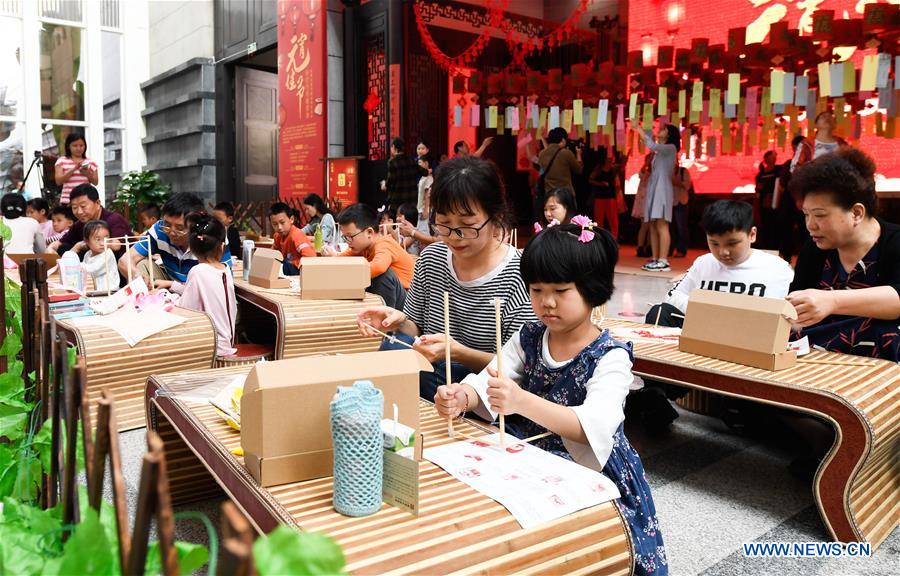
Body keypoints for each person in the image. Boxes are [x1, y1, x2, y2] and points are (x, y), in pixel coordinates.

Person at [434, 220, 667, 575]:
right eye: (537, 289)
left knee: (586, 553)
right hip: (531, 454)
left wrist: (521, 401)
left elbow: (594, 426)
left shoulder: (610, 356)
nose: (546, 302)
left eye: (561, 290)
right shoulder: (529, 336)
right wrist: (462, 396)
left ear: (593, 290)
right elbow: (491, 378)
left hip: (590, 466)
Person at [357, 156, 536, 399]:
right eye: (443, 224)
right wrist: (397, 321)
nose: (454, 237)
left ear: (495, 219)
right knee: (393, 348)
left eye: (467, 225)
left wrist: (458, 352)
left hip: (487, 392)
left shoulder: (520, 275)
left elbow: (520, 369)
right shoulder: (432, 259)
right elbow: (416, 327)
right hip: (432, 377)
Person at [637, 200, 795, 429]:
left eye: (732, 243)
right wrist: (713, 312)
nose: (723, 252)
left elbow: (779, 316)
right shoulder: (704, 263)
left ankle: (740, 403)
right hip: (701, 337)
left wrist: (718, 311)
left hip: (746, 346)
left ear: (752, 235)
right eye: (714, 243)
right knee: (660, 313)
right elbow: (672, 296)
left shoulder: (776, 269)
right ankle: (657, 393)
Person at [787, 147, 900, 362]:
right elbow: (796, 309)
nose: (810, 225)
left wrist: (831, 301)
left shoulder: (894, 242)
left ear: (857, 212)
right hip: (816, 361)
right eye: (806, 215)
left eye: (820, 215)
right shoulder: (814, 249)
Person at [119, 192, 229, 289]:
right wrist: (135, 274)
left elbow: (222, 281)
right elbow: (125, 260)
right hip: (172, 288)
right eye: (167, 224)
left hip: (201, 291)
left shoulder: (211, 236)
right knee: (141, 265)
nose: (171, 232)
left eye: (180, 228)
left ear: (196, 224)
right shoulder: (159, 230)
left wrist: (171, 285)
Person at [326, 203, 414, 309]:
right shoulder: (362, 247)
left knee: (382, 274)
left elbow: (379, 267)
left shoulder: (385, 244)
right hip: (395, 296)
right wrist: (332, 257)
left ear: (369, 232)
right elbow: (342, 259)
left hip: (408, 302)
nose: (348, 242)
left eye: (349, 236)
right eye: (344, 237)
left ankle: (386, 320)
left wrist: (346, 277)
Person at [176, 214, 237, 358]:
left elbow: (186, 309)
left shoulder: (198, 271)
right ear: (222, 246)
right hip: (227, 341)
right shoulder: (225, 269)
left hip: (213, 348)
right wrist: (173, 286)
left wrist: (167, 301)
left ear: (191, 247)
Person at [50, 184, 132, 256]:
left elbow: (116, 245)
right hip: (90, 266)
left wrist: (80, 246)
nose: (79, 212)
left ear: (97, 203)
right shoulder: (80, 224)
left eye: (83, 206)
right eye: (74, 207)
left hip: (119, 266)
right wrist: (50, 248)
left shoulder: (114, 220)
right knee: (63, 248)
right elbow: (61, 242)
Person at [641, 124, 680, 272]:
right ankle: (655, 258)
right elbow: (651, 144)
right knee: (653, 224)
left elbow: (650, 144)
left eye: (663, 129)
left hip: (662, 190)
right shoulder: (659, 152)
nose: (660, 130)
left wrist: (637, 128)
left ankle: (663, 260)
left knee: (662, 224)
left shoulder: (670, 148)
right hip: (654, 188)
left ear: (669, 134)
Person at [776, 136, 808, 262]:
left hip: (806, 202)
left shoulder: (812, 164)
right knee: (786, 231)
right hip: (789, 202)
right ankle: (787, 259)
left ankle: (806, 259)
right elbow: (782, 186)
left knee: (806, 231)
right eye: (798, 147)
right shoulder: (788, 164)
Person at [68, 220, 120, 292]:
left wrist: (75, 266)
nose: (102, 243)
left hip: (110, 291)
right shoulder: (88, 254)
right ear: (87, 241)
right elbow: (84, 274)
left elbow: (93, 270)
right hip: (95, 291)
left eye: (106, 238)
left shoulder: (107, 253)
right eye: (98, 239)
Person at [270, 202, 316, 275]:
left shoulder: (296, 235)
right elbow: (272, 255)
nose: (279, 227)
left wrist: (294, 263)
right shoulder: (277, 236)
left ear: (291, 219)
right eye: (275, 224)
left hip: (299, 271)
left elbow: (311, 257)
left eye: (282, 222)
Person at [54, 133, 98, 205]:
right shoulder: (61, 161)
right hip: (67, 201)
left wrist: (87, 174)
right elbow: (58, 181)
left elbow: (95, 182)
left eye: (81, 145)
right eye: (75, 146)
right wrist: (74, 169)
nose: (78, 148)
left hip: (85, 201)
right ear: (69, 146)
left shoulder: (90, 162)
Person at [537, 127, 583, 196]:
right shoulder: (566, 153)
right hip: (565, 194)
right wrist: (578, 154)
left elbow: (542, 170)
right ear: (563, 139)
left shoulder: (541, 154)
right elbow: (579, 170)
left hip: (549, 194)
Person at [385, 137, 426, 210]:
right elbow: (424, 172)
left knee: (398, 219)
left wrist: (384, 185)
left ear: (394, 147)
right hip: (412, 198)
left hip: (398, 198)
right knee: (410, 219)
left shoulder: (392, 162)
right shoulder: (411, 159)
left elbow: (390, 181)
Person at [398, 179, 436, 256]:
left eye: (400, 216)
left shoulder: (413, 231)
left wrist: (412, 232)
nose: (397, 218)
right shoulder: (423, 215)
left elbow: (400, 246)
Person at [589, 152, 620, 239]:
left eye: (612, 157)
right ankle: (599, 241)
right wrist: (600, 184)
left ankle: (613, 241)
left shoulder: (613, 168)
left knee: (614, 222)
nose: (611, 159)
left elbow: (623, 164)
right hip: (599, 198)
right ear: (606, 158)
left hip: (610, 198)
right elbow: (590, 180)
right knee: (598, 222)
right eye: (610, 157)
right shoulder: (599, 168)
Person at [755, 151, 779, 250]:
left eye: (775, 156)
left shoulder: (779, 171)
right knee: (766, 227)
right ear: (766, 158)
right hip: (764, 205)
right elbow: (758, 190)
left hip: (777, 204)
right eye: (772, 156)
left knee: (775, 228)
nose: (775, 158)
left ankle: (775, 248)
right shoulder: (760, 175)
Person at [632, 152, 654, 258]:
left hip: (651, 202)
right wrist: (648, 162)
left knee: (651, 227)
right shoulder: (644, 172)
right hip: (644, 203)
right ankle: (640, 247)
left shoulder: (655, 172)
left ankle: (649, 247)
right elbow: (641, 174)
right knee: (644, 226)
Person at [670, 161, 692, 258]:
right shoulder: (667, 172)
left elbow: (687, 186)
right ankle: (669, 249)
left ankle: (681, 250)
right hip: (669, 203)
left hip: (681, 202)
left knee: (681, 228)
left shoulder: (683, 171)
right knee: (670, 229)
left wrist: (676, 182)